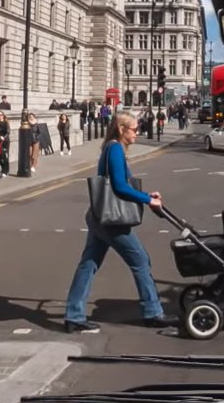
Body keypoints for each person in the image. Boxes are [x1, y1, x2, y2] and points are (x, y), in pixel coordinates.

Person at [61, 110, 175, 333]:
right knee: (141, 261)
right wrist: (147, 200)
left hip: (99, 216)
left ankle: (74, 316)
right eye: (134, 129)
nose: (137, 132)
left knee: (89, 264)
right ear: (122, 130)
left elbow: (122, 184)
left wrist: (147, 195)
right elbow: (120, 187)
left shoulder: (112, 147)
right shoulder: (114, 149)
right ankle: (153, 312)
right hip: (111, 220)